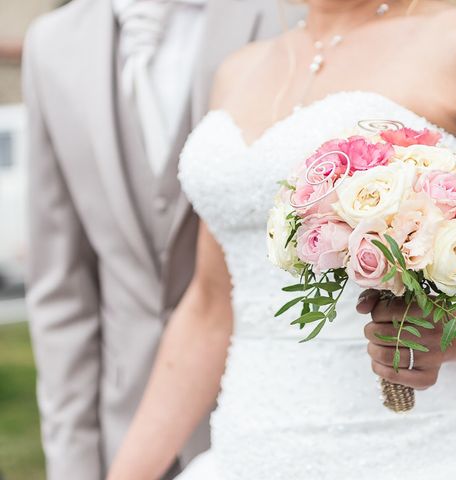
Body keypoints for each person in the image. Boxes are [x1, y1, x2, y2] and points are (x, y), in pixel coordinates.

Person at [108, 0, 456, 478]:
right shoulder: (236, 71)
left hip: (426, 453)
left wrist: (452, 329)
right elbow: (212, 307)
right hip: (245, 452)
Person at [22, 0, 294, 478]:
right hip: (120, 426)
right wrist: (73, 462)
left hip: (268, 416)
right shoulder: (51, 43)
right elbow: (61, 290)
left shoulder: (284, 13)